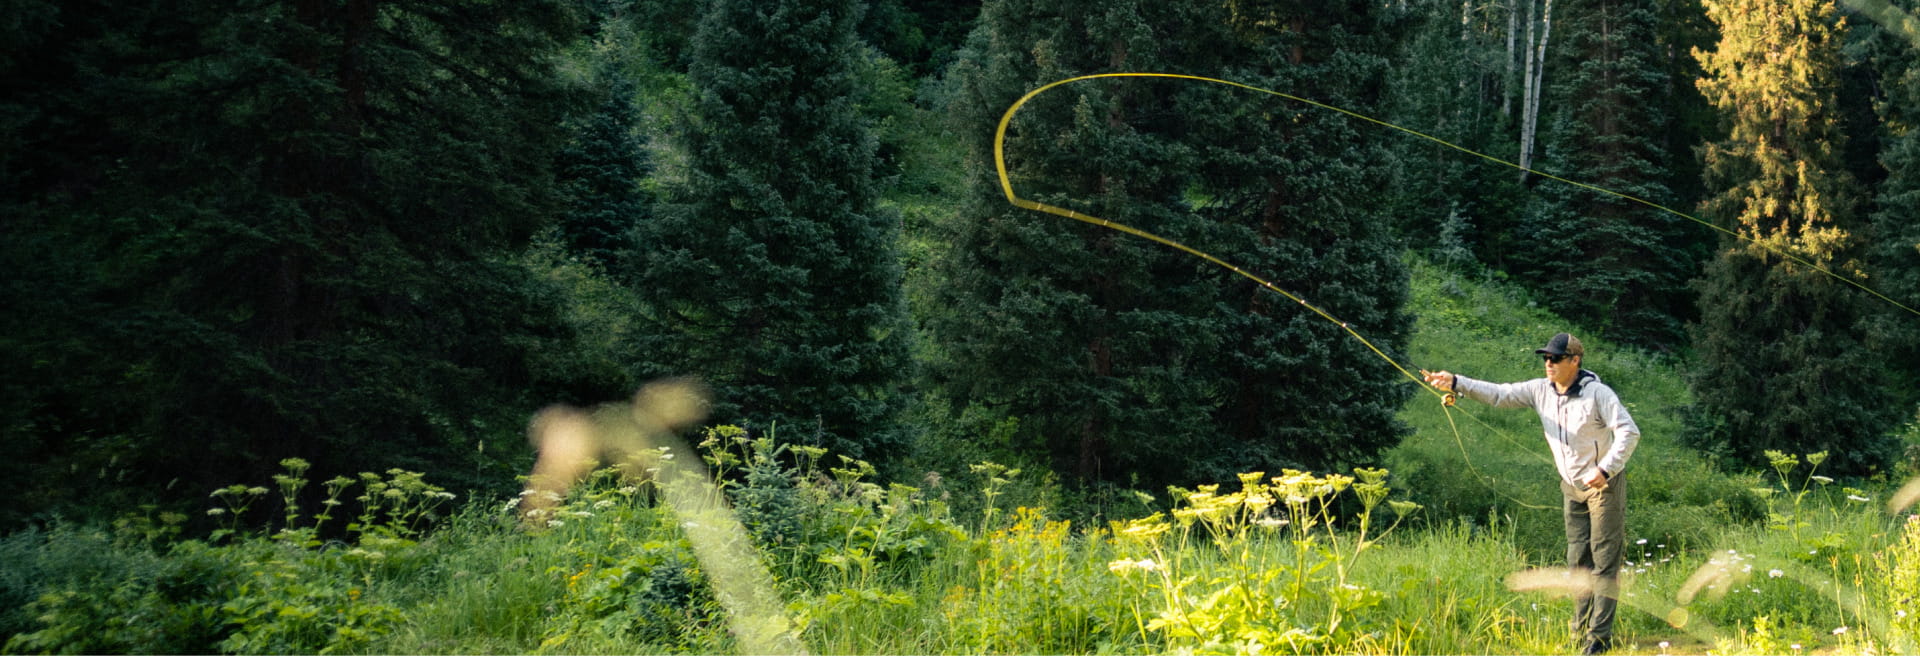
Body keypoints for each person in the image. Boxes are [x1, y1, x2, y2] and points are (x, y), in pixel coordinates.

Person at [1421, 332, 1641, 655]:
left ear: (1575, 361)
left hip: (1604, 486)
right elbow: (1499, 394)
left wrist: (1605, 468)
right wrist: (1455, 382)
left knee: (1605, 562)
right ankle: (1579, 635)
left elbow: (1629, 431)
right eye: (1546, 358)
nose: (1548, 364)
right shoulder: (1540, 390)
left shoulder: (1598, 394)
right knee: (1578, 563)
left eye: (1556, 358)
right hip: (1571, 487)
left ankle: (1599, 640)